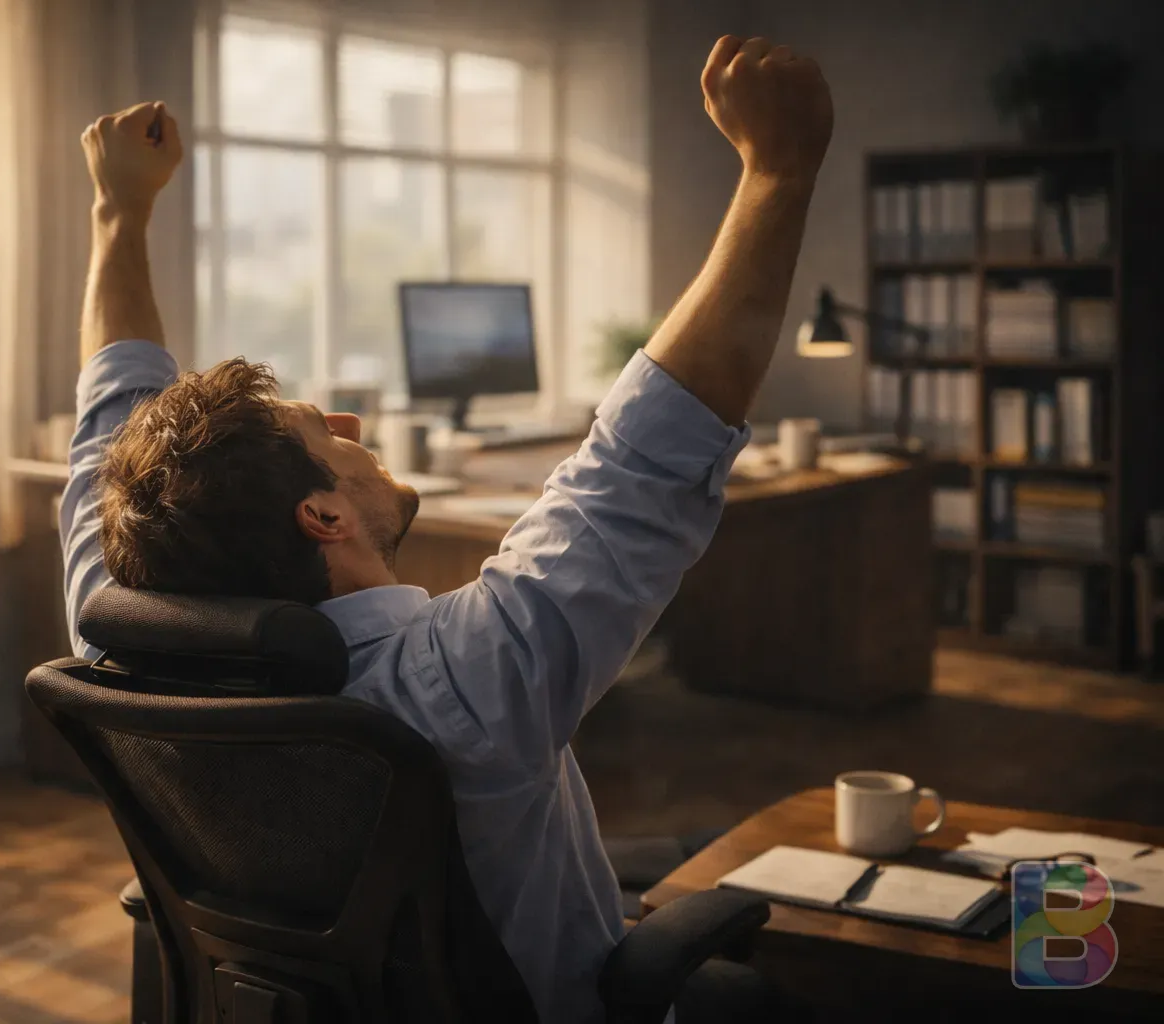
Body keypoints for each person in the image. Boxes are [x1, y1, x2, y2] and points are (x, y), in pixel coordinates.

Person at [62, 35, 832, 1024]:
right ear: (325, 515)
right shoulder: (462, 683)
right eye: (320, 432)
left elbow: (106, 429)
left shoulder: (117, 636)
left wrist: (118, 212)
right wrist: (781, 169)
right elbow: (648, 454)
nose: (347, 424)